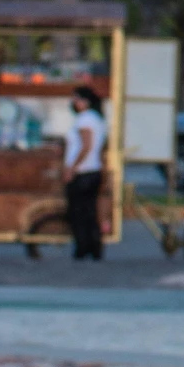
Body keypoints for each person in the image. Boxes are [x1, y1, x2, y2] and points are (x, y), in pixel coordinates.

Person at [63, 84, 107, 260]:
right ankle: (94, 247)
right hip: (94, 170)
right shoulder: (97, 119)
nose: (73, 103)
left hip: (83, 172)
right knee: (90, 211)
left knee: (78, 212)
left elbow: (86, 146)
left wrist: (72, 168)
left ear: (84, 101)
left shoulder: (84, 120)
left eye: (76, 99)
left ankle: (82, 247)